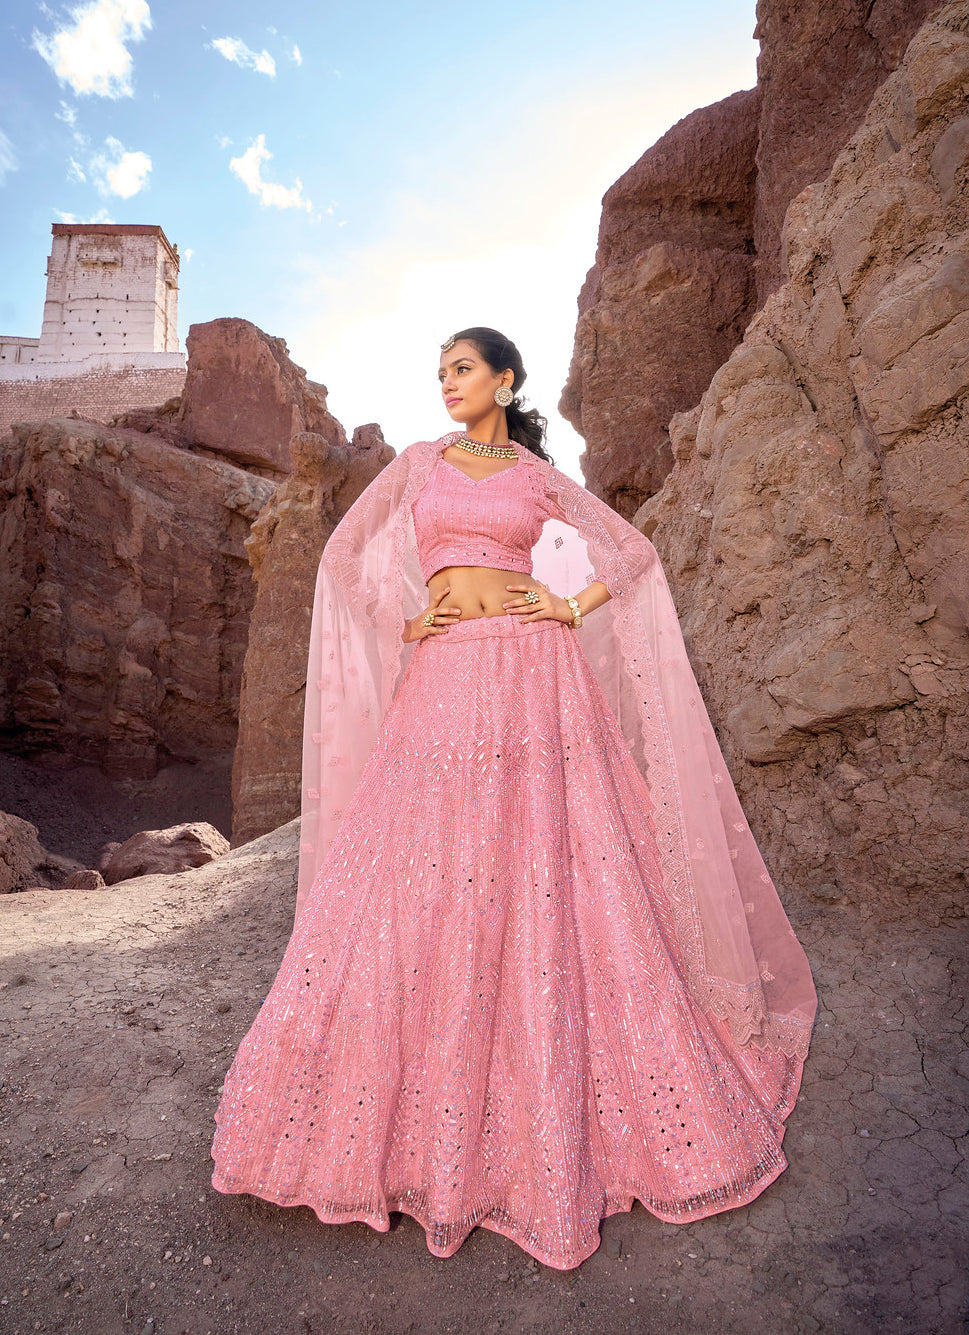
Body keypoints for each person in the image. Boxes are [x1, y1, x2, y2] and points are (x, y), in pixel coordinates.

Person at [210, 327, 816, 1271]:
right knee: (423, 873)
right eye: (439, 371)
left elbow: (631, 552)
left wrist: (569, 608)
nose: (446, 384)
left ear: (503, 379)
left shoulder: (536, 476)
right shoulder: (417, 465)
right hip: (447, 675)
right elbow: (344, 559)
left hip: (539, 674)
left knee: (552, 869)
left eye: (461, 368)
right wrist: (406, 619)